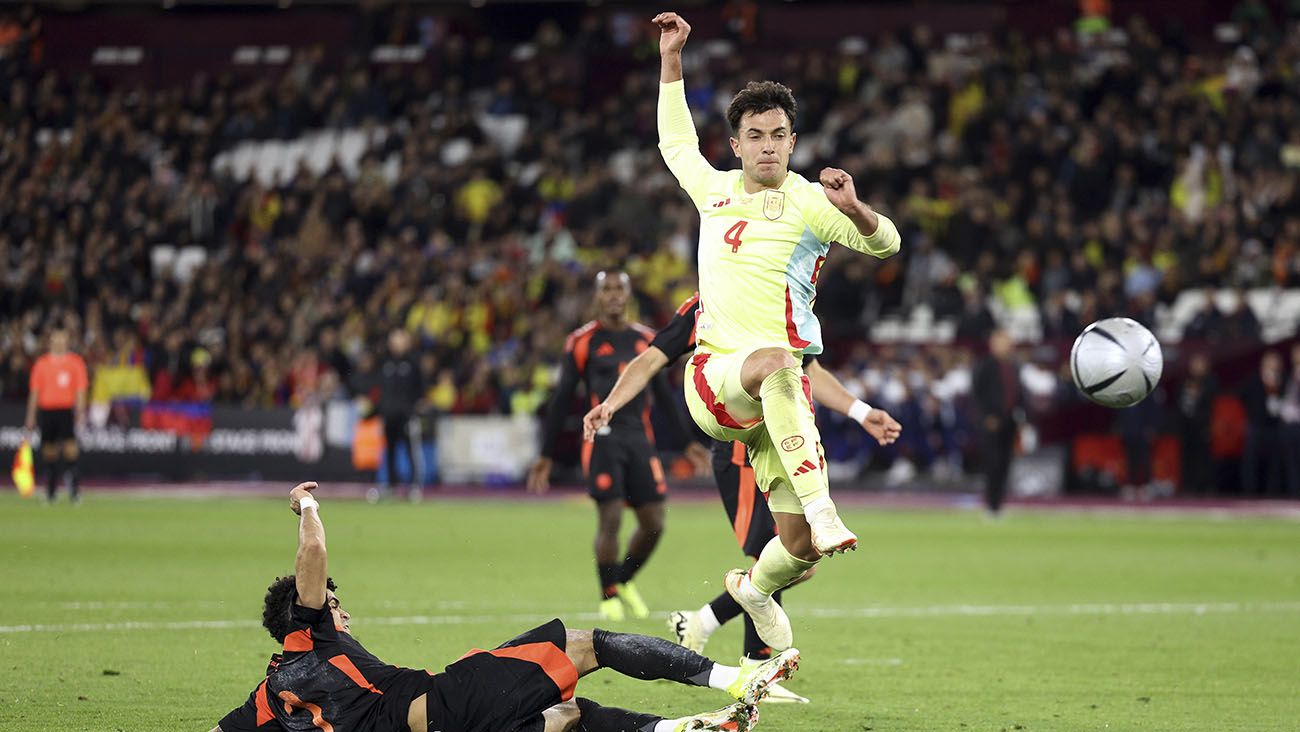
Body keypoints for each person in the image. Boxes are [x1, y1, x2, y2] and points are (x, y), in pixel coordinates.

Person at [653, 11, 902, 651]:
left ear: (793, 142)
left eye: (779, 135)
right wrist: (672, 60)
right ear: (735, 144)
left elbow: (888, 244)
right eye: (755, 135)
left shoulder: (814, 203)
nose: (768, 145)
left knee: (797, 549)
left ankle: (754, 591)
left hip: (773, 404)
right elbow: (676, 143)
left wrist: (855, 209)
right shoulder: (712, 189)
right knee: (775, 359)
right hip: (713, 378)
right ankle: (824, 505)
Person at [210, 482, 799, 732]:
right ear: (306, 611)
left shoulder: (263, 700)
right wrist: (305, 507)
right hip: (442, 702)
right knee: (585, 644)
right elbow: (311, 553)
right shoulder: (309, 639)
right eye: (334, 604)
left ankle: (679, 730)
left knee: (567, 720)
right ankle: (735, 678)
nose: (342, 614)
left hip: (442, 727)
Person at [584, 291, 900, 703]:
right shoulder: (707, 302)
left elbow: (810, 369)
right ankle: (756, 669)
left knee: (800, 558)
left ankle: (703, 622)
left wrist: (860, 411)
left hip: (791, 445)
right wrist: (610, 403)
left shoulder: (789, 296)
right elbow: (650, 358)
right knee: (772, 556)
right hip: (742, 452)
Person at [527, 271, 710, 621]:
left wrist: (688, 443)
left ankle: (623, 580)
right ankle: (608, 594)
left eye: (619, 289)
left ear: (628, 295)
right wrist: (546, 455)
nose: (613, 295)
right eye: (606, 289)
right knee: (609, 519)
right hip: (602, 441)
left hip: (640, 440)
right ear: (597, 297)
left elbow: (663, 397)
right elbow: (563, 398)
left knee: (654, 521)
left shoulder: (646, 339)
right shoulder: (583, 341)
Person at [24, 326, 89, 504]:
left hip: (66, 411)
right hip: (47, 411)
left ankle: (74, 492)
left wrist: (80, 412)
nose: (59, 341)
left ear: (67, 341)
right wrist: (30, 416)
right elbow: (35, 392)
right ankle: (51, 492)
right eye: (56, 338)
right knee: (49, 452)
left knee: (70, 450)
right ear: (50, 341)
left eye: (63, 338)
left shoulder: (76, 363)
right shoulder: (41, 364)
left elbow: (81, 390)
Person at [970, 329, 1025, 517]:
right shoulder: (985, 365)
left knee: (1005, 462)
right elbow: (977, 393)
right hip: (991, 421)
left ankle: (999, 504)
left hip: (1010, 421)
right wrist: (986, 417)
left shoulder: (1014, 365)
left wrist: (1025, 417)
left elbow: (1019, 393)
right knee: (993, 463)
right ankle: (991, 505)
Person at [371, 329, 425, 504]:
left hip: (407, 416)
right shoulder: (385, 364)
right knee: (391, 452)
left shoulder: (413, 363)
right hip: (389, 416)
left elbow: (420, 389)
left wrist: (413, 409)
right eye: (394, 340)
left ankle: (414, 487)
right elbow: (381, 390)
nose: (396, 344)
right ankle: (392, 486)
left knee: (411, 451)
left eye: (400, 340)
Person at [1239, 351, 1285, 496]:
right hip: (1256, 426)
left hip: (1274, 426)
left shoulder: (1283, 380)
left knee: (1274, 462)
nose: (1272, 365)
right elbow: (1243, 395)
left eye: (1275, 362)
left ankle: (1272, 492)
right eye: (1269, 362)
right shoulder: (1254, 379)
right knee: (1251, 461)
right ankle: (1249, 492)